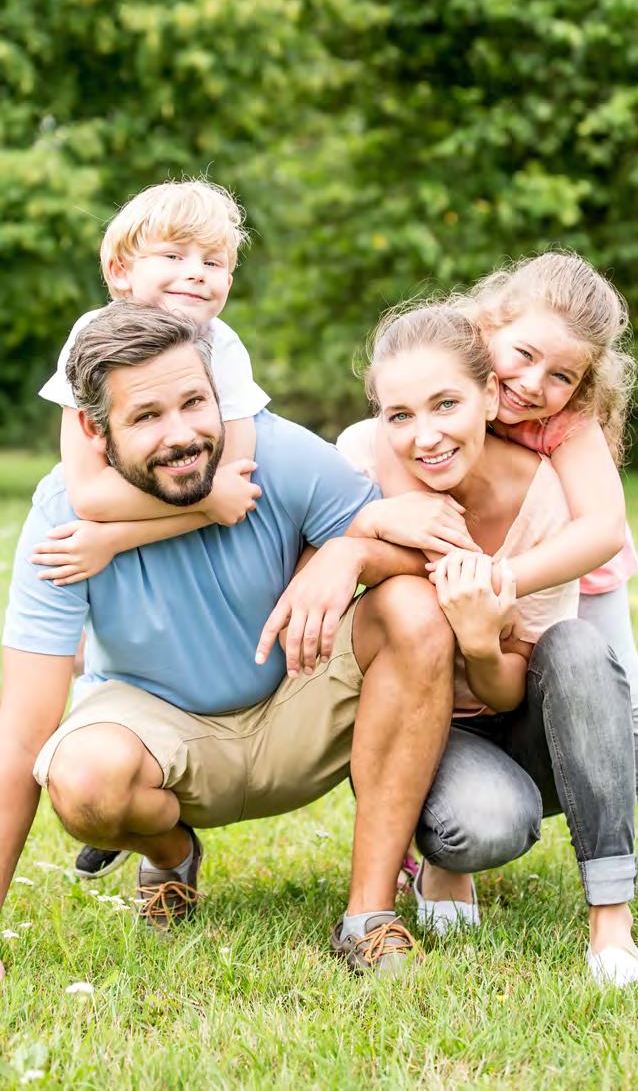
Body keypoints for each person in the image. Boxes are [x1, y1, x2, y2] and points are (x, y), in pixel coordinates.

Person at [0, 302, 457, 980]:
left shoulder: (279, 454)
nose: (182, 434)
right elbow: (21, 736)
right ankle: (169, 852)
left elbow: (432, 555)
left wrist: (350, 556)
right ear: (96, 432)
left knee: (413, 609)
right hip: (159, 732)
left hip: (295, 702)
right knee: (82, 778)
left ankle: (369, 915)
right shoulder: (61, 517)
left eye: (194, 403)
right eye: (147, 417)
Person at [341, 252, 638, 898]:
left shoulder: (566, 419)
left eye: (560, 375)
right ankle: (413, 831)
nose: (531, 384)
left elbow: (601, 530)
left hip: (566, 558)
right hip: (470, 565)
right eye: (522, 355)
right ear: (489, 324)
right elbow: (392, 427)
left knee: (619, 685)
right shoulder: (442, 370)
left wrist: (495, 581)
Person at [33, 177, 269, 879]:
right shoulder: (91, 339)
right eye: (174, 254)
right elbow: (89, 492)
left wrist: (116, 535)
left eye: (215, 261)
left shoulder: (221, 347)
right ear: (121, 272)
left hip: (208, 577)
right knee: (114, 671)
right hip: (136, 567)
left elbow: (240, 469)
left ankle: (138, 788)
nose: (197, 272)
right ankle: (140, 812)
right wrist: (124, 530)